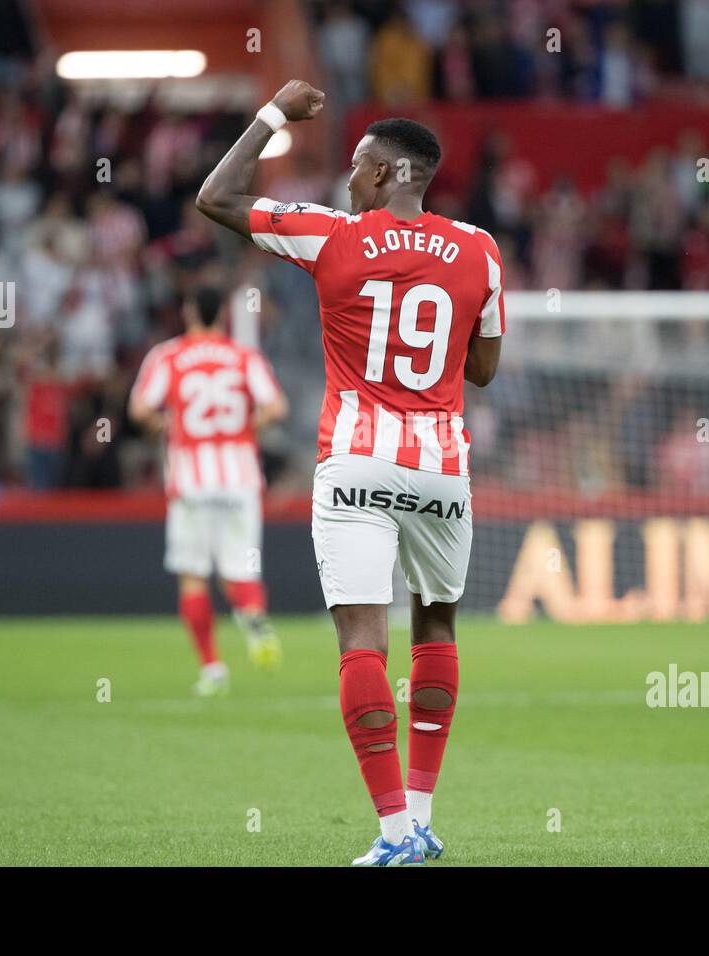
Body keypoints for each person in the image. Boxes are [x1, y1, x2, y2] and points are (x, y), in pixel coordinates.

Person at [195, 80, 505, 865]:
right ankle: (426, 818)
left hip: (358, 463)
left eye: (359, 167)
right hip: (442, 469)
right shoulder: (480, 248)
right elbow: (485, 371)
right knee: (435, 626)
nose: (349, 179)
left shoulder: (331, 236)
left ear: (383, 176)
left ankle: (396, 830)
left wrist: (271, 115)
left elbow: (216, 197)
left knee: (362, 641)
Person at [129, 287, 288, 695]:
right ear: (223, 316)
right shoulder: (244, 356)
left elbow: (140, 409)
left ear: (188, 310)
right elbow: (275, 407)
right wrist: (243, 428)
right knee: (241, 569)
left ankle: (213, 668)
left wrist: (164, 425)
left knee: (194, 575)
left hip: (191, 479)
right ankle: (254, 622)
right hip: (239, 478)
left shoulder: (168, 355)